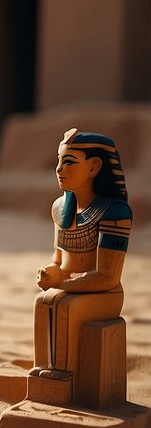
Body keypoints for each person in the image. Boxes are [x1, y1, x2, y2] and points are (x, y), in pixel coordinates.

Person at [33, 129, 131, 380]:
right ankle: (42, 369)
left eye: (68, 162)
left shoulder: (115, 212)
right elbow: (59, 260)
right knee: (43, 302)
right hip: (73, 285)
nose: (59, 169)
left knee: (66, 305)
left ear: (93, 167)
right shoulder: (60, 208)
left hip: (105, 294)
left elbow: (107, 277)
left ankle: (64, 376)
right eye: (58, 160)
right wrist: (49, 273)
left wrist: (62, 282)